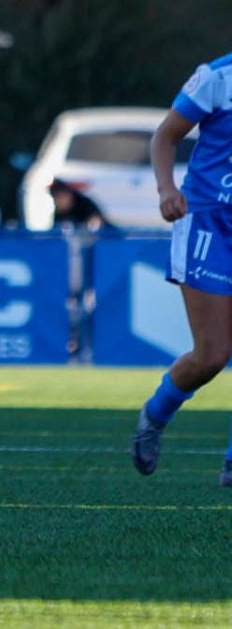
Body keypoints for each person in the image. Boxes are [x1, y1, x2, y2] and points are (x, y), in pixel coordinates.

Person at [133, 53, 232, 481]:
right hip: (209, 222)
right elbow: (165, 137)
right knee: (212, 356)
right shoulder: (218, 76)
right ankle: (155, 415)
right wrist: (166, 189)